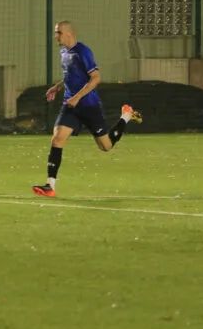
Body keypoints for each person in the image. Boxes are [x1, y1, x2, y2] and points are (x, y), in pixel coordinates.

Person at [32, 21, 142, 198]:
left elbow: (96, 78)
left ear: (69, 34)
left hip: (89, 106)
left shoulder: (83, 51)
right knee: (57, 139)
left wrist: (77, 97)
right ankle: (50, 186)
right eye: (55, 32)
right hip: (70, 106)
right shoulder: (63, 52)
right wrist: (58, 87)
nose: (56, 36)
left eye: (58, 32)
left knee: (105, 146)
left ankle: (126, 116)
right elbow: (72, 75)